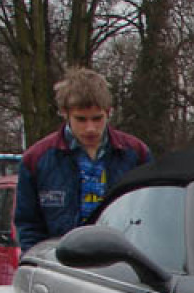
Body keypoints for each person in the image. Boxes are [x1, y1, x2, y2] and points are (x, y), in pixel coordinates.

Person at [15, 68, 152, 252]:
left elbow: (150, 215)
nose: (90, 128)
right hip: (61, 265)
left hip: (121, 262)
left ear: (108, 112)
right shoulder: (36, 159)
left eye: (97, 119)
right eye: (81, 119)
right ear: (65, 113)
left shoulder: (136, 154)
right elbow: (28, 225)